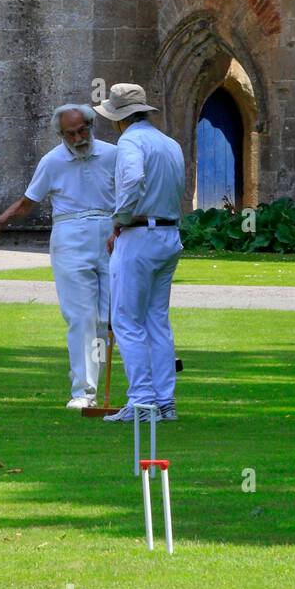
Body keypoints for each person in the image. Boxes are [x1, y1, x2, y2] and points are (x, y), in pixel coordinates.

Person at [0, 104, 117, 409]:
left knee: (108, 317)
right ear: (61, 134)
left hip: (110, 233)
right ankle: (84, 392)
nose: (79, 137)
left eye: (83, 130)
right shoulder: (52, 161)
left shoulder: (113, 154)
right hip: (70, 236)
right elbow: (28, 202)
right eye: (71, 134)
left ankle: (118, 387)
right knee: (81, 316)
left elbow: (131, 193)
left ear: (91, 125)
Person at [94, 83, 186, 424]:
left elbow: (133, 179)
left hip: (139, 237)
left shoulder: (130, 141)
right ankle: (165, 402)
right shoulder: (169, 143)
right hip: (168, 234)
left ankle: (142, 401)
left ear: (120, 118)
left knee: (126, 320)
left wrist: (119, 221)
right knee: (156, 321)